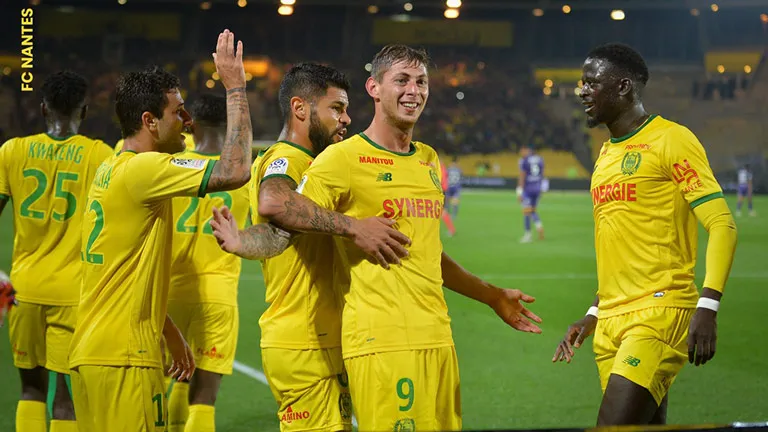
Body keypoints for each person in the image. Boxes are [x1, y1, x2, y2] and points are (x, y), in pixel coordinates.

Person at [211, 44, 542, 431]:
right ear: (375, 87)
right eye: (401, 80)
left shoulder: (428, 160)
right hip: (377, 341)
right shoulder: (338, 159)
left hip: (437, 338)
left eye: (421, 81)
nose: (413, 90)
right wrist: (247, 242)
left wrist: (490, 295)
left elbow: (425, 253)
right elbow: (280, 222)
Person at [68, 31, 289, 431]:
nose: (188, 122)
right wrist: (236, 88)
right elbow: (236, 170)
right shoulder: (144, 169)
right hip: (124, 356)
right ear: (149, 121)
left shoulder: (112, 167)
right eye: (178, 113)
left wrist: (167, 328)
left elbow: (124, 270)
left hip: (96, 348)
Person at [552, 43, 738, 426]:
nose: (582, 91)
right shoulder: (605, 156)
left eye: (591, 82)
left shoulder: (672, 139)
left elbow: (721, 224)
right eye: (581, 83)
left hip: (658, 313)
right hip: (610, 322)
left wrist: (708, 305)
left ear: (623, 88)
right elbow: (618, 247)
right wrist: (593, 312)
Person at [238, 62, 358, 431]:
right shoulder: (287, 159)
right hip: (303, 340)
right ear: (300, 109)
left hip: (317, 337)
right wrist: (356, 228)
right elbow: (273, 199)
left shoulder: (310, 163)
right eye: (336, 108)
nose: (347, 119)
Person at [0, 70, 113, 432]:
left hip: (24, 289)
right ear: (84, 109)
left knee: (31, 389)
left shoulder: (12, 151)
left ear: (43, 108)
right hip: (74, 292)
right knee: (66, 396)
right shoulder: (99, 154)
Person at [165, 94, 250, 432]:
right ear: (229, 127)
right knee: (203, 397)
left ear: (191, 125)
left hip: (169, 293)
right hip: (218, 294)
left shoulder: (167, 166)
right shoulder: (243, 172)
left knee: (172, 380)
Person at [516, 145, 545, 243]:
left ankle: (528, 235)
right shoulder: (540, 159)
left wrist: (519, 191)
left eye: (522, 151)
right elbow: (542, 174)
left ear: (526, 150)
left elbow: (522, 176)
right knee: (532, 210)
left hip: (528, 189)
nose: (521, 153)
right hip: (537, 189)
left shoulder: (524, 160)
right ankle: (539, 226)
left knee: (526, 211)